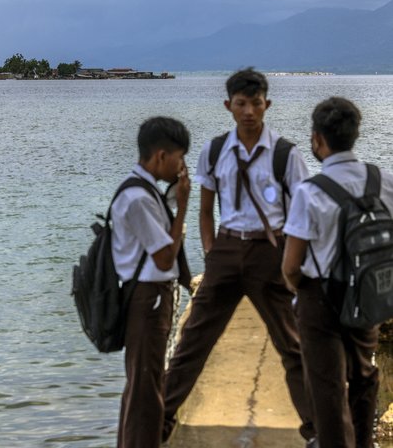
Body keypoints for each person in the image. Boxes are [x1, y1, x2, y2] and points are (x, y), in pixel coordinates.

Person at [162, 68, 316, 446]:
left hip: (271, 253)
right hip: (227, 249)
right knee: (194, 341)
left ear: (268, 105)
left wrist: (292, 263)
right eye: (242, 104)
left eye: (257, 103)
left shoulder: (285, 154)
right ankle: (159, 419)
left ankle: (316, 430)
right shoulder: (214, 151)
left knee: (291, 345)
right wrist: (212, 252)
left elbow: (301, 211)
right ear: (228, 105)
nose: (249, 111)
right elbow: (205, 209)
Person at [282, 97, 393, 448]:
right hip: (368, 291)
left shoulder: (310, 192)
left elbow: (290, 265)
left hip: (321, 297)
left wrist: (304, 293)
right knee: (363, 374)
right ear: (355, 134)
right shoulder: (384, 181)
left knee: (327, 386)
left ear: (317, 139)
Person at [112, 116, 191, 448]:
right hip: (148, 300)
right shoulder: (139, 199)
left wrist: (174, 198)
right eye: (180, 157)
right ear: (161, 156)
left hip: (148, 297)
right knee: (146, 392)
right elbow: (164, 258)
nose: (182, 165)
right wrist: (184, 207)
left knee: (143, 385)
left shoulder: (144, 191)